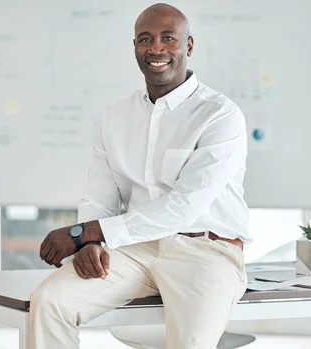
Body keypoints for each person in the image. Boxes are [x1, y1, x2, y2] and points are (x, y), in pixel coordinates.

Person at [29, 3, 251, 349]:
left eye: (168, 38)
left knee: (191, 343)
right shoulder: (115, 116)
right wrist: (89, 243)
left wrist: (82, 233)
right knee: (49, 302)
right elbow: (99, 197)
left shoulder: (220, 116)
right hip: (134, 249)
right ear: (135, 47)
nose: (156, 49)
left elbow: (183, 208)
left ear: (188, 46)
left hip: (206, 251)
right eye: (145, 40)